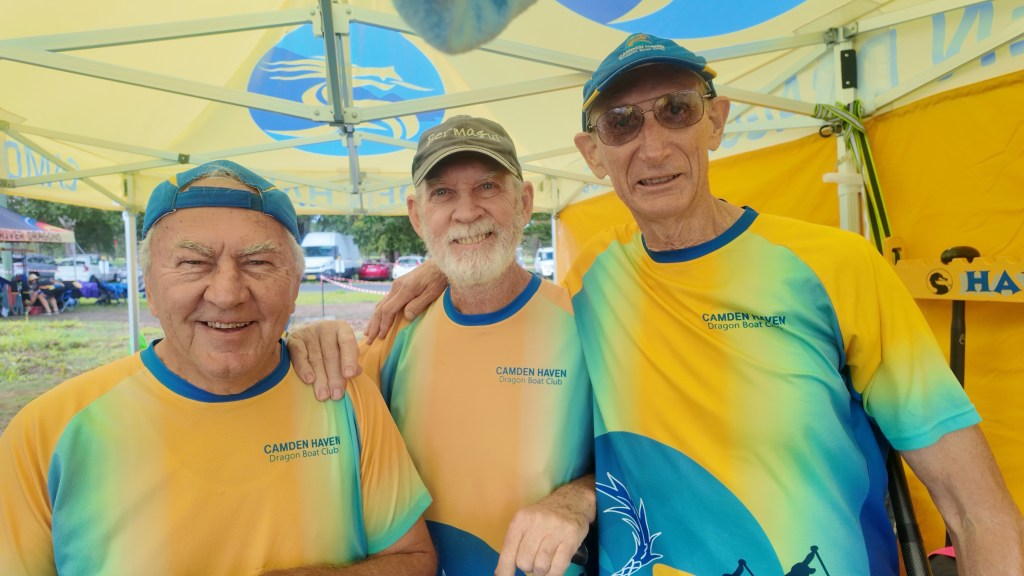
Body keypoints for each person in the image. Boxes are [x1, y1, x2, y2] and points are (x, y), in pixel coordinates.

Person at [345, 33, 1024, 575]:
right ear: (593, 154)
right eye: (621, 122)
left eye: (676, 109)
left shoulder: (837, 266)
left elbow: (974, 508)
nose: (654, 143)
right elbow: (492, 280)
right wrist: (440, 273)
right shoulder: (593, 280)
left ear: (717, 121)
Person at [0, 160, 436, 575]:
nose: (227, 294)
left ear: (294, 287)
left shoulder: (343, 394)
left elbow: (414, 558)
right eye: (193, 262)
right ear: (149, 286)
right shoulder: (46, 431)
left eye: (258, 263)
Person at [287, 115, 595, 576]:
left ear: (525, 201)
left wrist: (581, 496)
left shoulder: (586, 324)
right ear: (416, 214)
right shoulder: (393, 334)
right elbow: (314, 429)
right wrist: (302, 342)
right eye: (443, 193)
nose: (467, 211)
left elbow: (649, 457)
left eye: (488, 187)